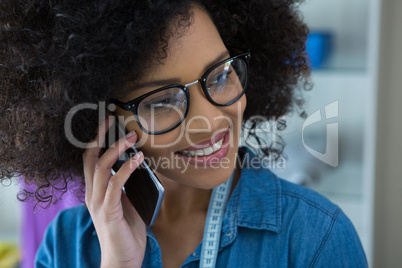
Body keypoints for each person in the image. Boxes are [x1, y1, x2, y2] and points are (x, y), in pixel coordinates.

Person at [0, 0, 367, 267]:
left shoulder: (315, 237)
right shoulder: (68, 246)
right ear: (105, 122)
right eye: (162, 102)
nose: (209, 120)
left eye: (221, 75)